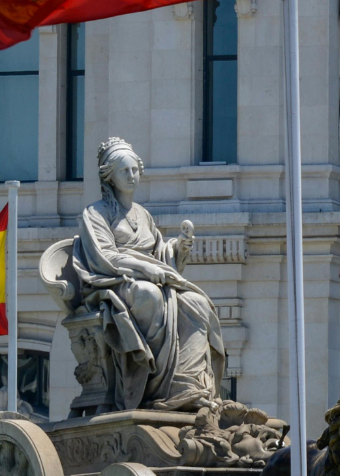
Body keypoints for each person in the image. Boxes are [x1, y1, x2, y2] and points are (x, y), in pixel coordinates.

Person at [53, 136, 226, 414]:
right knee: (150, 296)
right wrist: (146, 268)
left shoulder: (143, 215)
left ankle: (188, 384)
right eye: (125, 171)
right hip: (113, 283)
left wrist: (177, 248)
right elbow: (105, 257)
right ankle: (154, 387)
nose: (132, 176)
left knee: (199, 304)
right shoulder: (95, 213)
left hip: (151, 280)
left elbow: (160, 254)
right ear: (109, 175)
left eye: (135, 170)